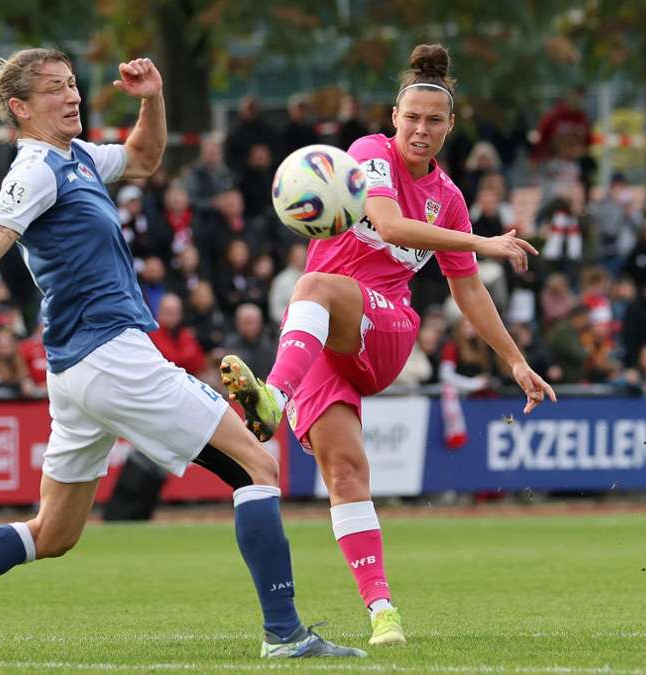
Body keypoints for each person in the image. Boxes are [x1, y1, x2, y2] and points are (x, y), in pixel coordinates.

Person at [0, 48, 363, 661]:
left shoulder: (78, 158)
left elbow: (144, 157)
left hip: (76, 372)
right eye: (54, 89)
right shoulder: (35, 171)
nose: (72, 96)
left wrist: (152, 98)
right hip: (112, 357)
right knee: (257, 466)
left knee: (53, 533)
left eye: (72, 84)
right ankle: (285, 635)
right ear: (20, 108)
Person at [219, 44, 556, 646]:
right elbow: (392, 223)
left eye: (434, 121)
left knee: (312, 284)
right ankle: (383, 613)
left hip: (387, 329)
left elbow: (468, 291)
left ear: (450, 126)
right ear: (394, 118)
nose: (421, 129)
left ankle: (272, 397)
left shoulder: (449, 198)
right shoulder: (368, 154)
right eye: (412, 118)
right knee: (345, 472)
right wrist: (485, 241)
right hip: (322, 340)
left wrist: (516, 361)